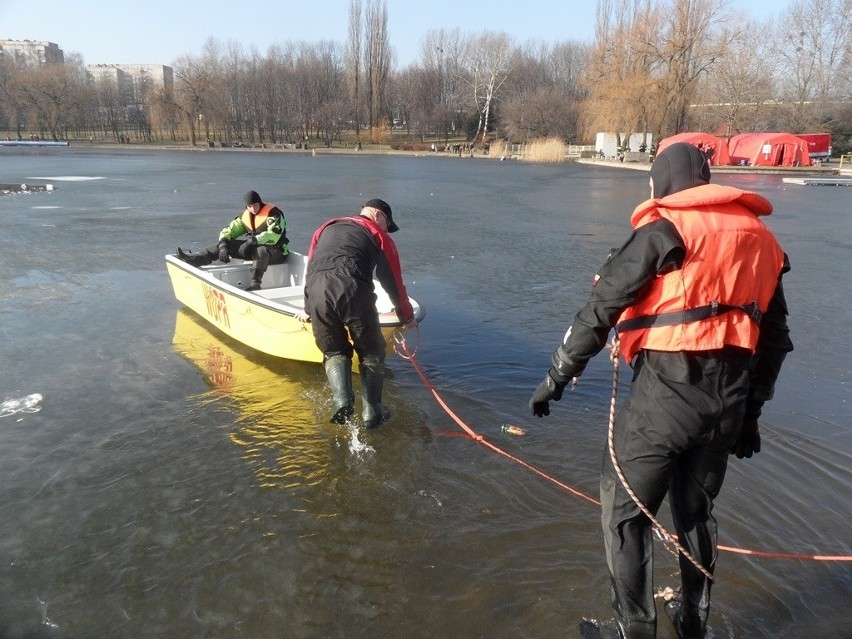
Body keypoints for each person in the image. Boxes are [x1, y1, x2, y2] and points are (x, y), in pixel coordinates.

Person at [528, 142, 793, 639]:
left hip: (665, 400)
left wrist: (556, 376)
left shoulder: (664, 230)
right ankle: (693, 623)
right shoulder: (762, 239)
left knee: (625, 514)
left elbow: (600, 309)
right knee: (695, 514)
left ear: (663, 182)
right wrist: (751, 414)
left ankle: (636, 630)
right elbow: (775, 339)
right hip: (727, 405)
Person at [297, 198, 416, 428]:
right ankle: (372, 413)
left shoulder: (325, 227)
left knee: (334, 350)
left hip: (317, 291)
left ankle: (342, 401)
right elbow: (393, 282)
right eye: (387, 225)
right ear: (378, 215)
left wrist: (308, 307)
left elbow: (311, 268)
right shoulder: (379, 235)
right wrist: (406, 316)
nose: (387, 230)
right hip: (352, 288)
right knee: (372, 351)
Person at [176, 190, 289, 290]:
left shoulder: (273, 214)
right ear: (246, 207)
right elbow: (229, 231)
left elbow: (273, 236)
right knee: (226, 244)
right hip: (253, 249)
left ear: (260, 203)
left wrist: (252, 241)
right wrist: (223, 246)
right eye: (250, 206)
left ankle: (255, 283)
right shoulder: (245, 217)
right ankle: (196, 260)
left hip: (277, 252)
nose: (253, 209)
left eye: (255, 205)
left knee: (262, 249)